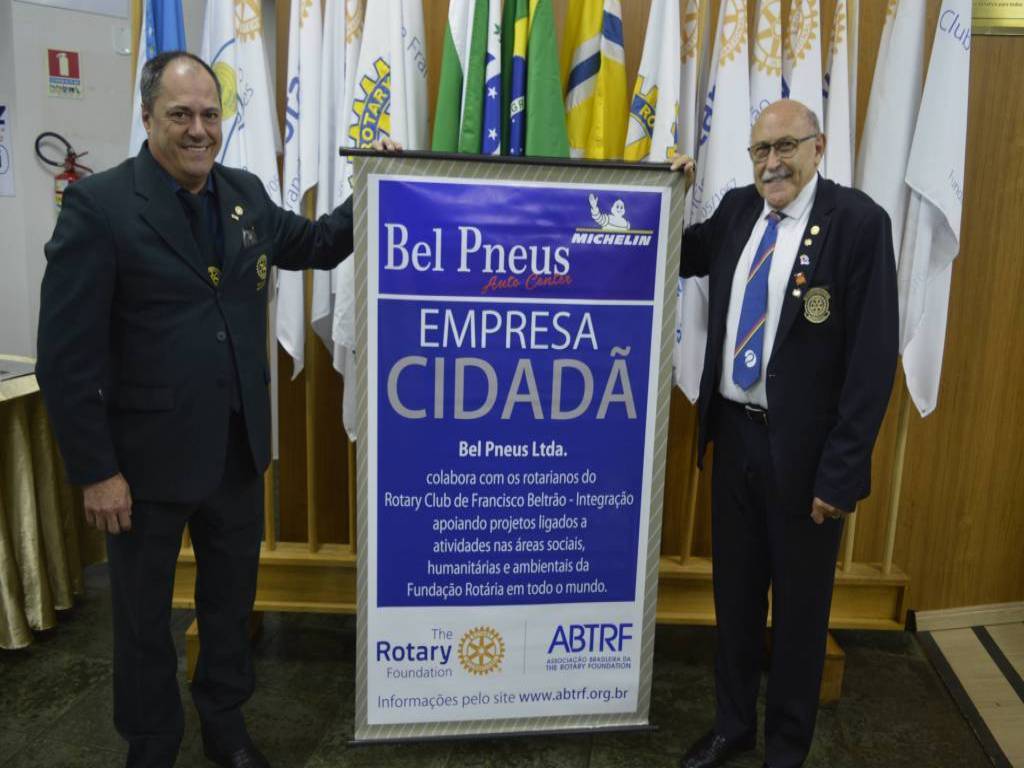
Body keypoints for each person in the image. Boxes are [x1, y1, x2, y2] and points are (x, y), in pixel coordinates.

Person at [36, 51, 396, 768]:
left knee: (230, 606)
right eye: (180, 114)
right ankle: (151, 741)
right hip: (141, 468)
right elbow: (66, 356)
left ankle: (225, 725)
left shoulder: (245, 194)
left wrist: (373, 186)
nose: (199, 129)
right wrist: (97, 472)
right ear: (148, 117)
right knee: (143, 619)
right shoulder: (99, 207)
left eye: (209, 113)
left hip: (236, 452)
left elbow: (318, 244)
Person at [670, 100, 898, 768]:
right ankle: (733, 726)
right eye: (761, 151)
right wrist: (667, 192)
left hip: (806, 459)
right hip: (735, 440)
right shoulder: (739, 209)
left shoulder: (858, 224)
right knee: (735, 602)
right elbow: (680, 254)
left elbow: (871, 363)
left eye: (786, 147)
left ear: (817, 148)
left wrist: (842, 474)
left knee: (800, 615)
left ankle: (786, 750)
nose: (772, 163)